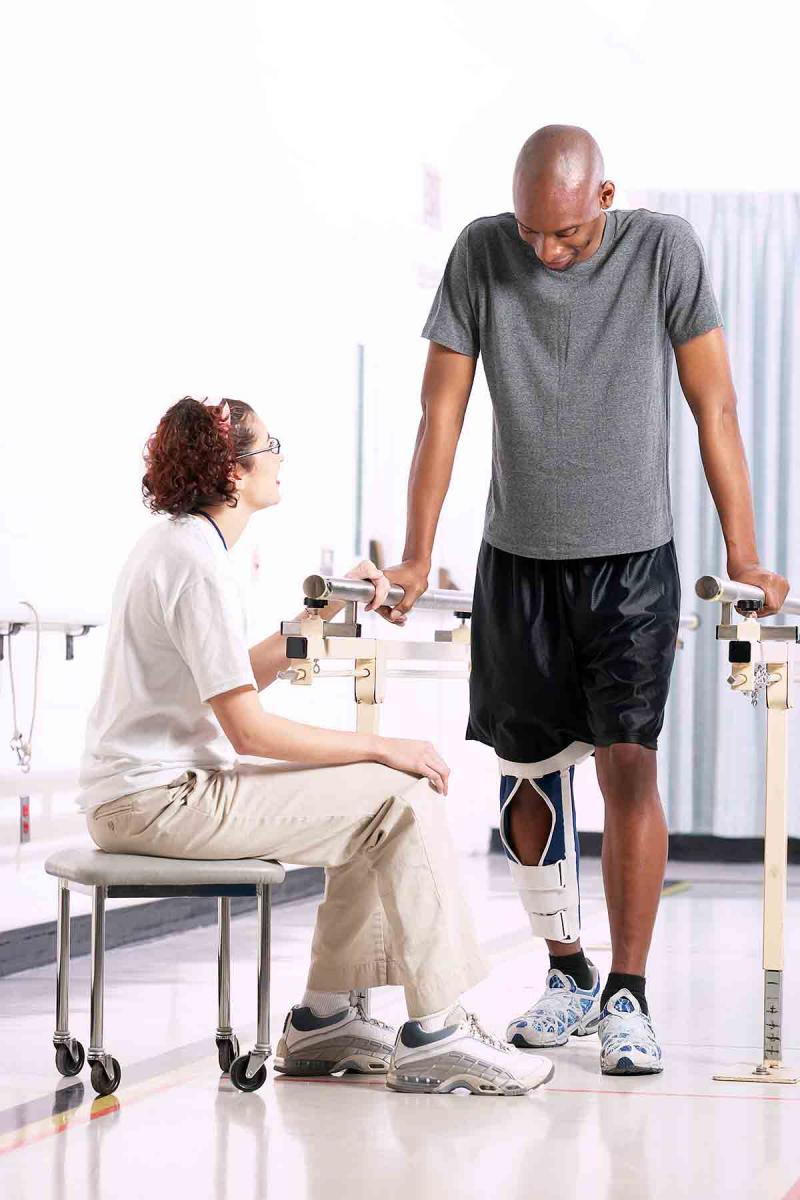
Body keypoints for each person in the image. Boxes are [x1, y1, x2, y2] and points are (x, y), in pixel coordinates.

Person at [378, 125, 790, 1076]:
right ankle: (566, 971)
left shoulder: (663, 251)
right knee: (529, 776)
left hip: (632, 561)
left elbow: (714, 406)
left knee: (629, 768)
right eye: (532, 233)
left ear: (605, 195)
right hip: (516, 558)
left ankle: (629, 996)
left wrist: (747, 554)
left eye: (562, 234)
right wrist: (413, 556)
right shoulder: (483, 251)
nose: (544, 252)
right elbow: (440, 412)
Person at [76, 394, 553, 1097]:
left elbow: (229, 677)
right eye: (270, 446)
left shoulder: (181, 545)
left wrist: (320, 615)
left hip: (144, 793)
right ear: (234, 472)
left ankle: (326, 1017)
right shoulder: (196, 564)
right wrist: (381, 748)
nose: (278, 459)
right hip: (159, 802)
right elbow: (248, 731)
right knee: (399, 792)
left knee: (374, 808)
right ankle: (439, 1032)